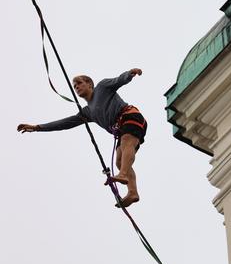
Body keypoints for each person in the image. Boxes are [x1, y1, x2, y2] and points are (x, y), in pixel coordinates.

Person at [17, 69, 147, 208]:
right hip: (121, 127)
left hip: (130, 116)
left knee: (127, 143)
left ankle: (123, 174)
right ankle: (132, 192)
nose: (76, 87)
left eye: (79, 83)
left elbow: (118, 80)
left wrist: (129, 74)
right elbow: (65, 123)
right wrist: (38, 127)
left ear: (90, 84)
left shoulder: (102, 87)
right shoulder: (87, 112)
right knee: (120, 161)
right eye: (74, 86)